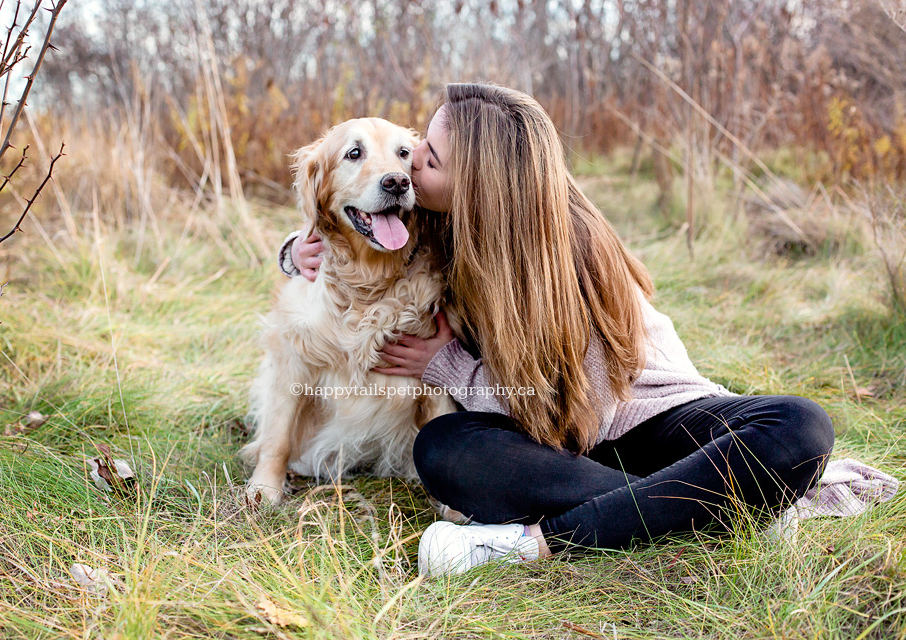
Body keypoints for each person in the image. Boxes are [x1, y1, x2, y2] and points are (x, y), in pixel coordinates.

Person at [278, 83, 835, 577]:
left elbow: (573, 414)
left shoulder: (571, 246)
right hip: (559, 458)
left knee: (800, 425)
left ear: (481, 183)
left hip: (645, 421)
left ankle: (533, 544)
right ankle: (721, 506)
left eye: (432, 157)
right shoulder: (434, 229)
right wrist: (297, 252)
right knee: (445, 448)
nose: (411, 161)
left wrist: (445, 364)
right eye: (422, 140)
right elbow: (349, 231)